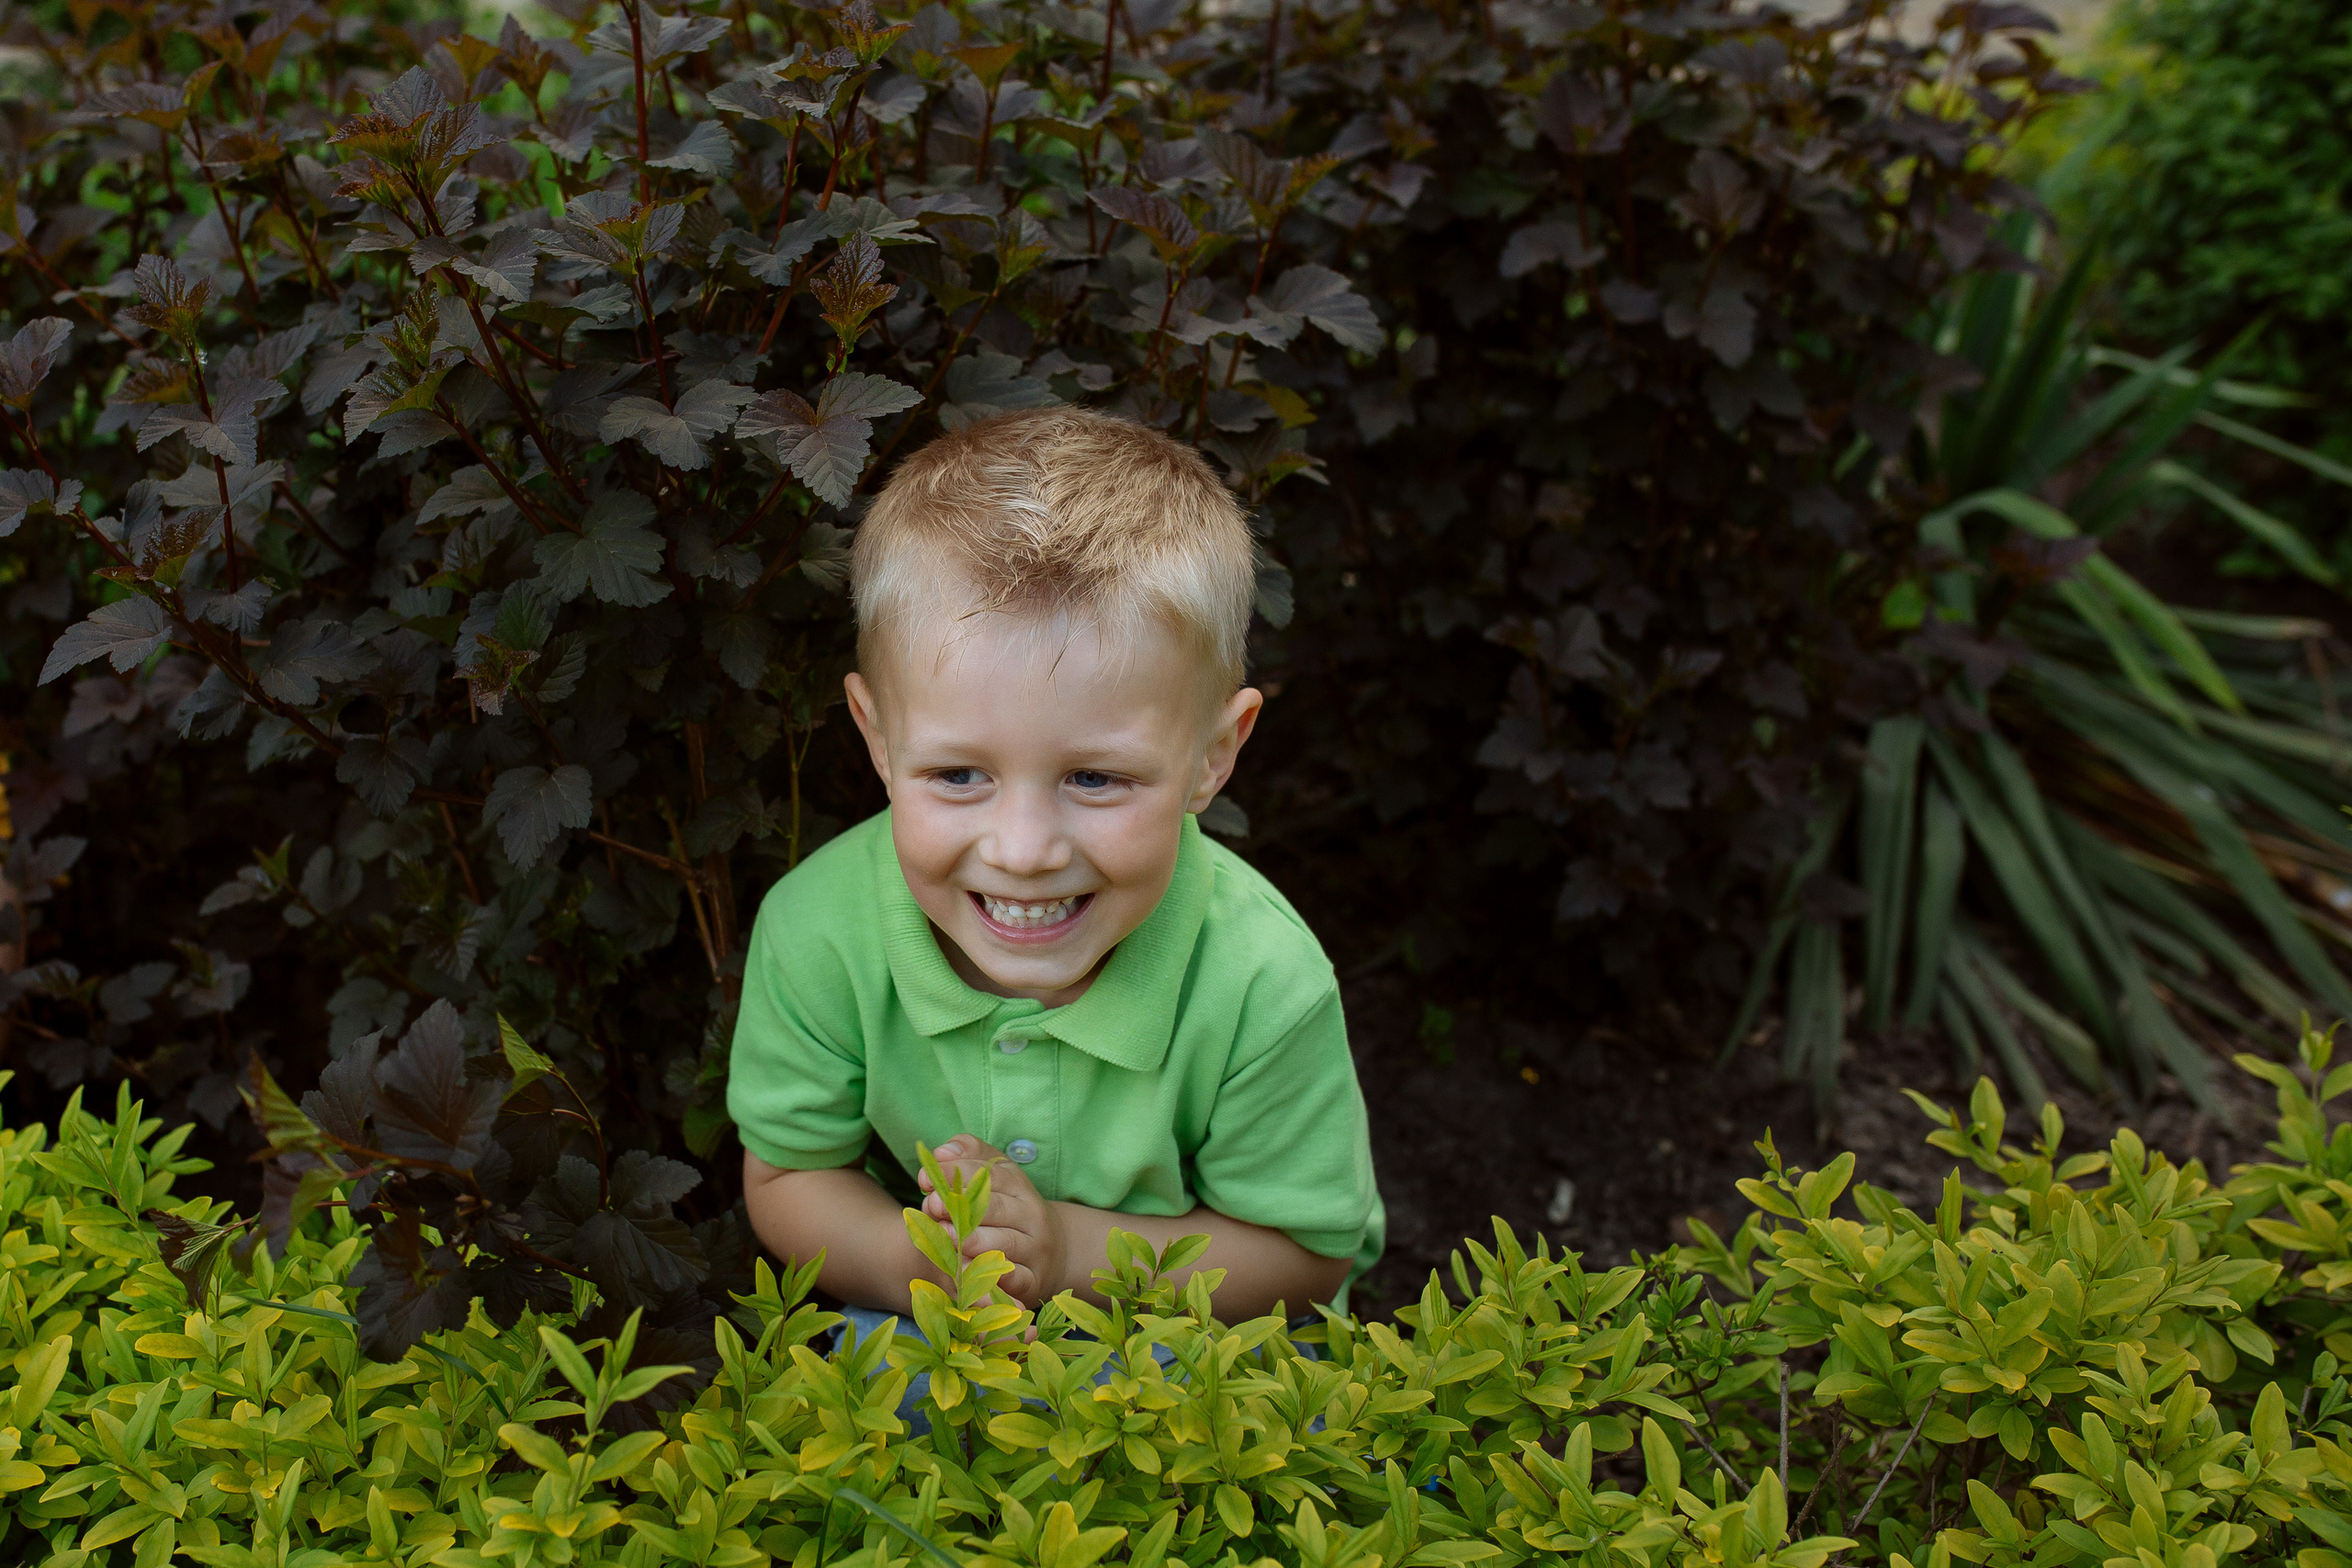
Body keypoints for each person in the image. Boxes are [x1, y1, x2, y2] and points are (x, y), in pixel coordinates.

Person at [729, 406, 1384, 1335]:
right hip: (930, 1324)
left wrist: (1067, 1254)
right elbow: (791, 1174)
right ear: (877, 738)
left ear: (1212, 755)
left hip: (1192, 1349)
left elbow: (1303, 1258)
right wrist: (908, 1259)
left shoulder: (1260, 979)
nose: (1023, 849)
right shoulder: (819, 930)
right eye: (959, 775)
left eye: (1094, 777)